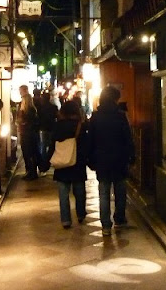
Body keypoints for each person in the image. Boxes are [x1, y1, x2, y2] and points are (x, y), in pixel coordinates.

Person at [87, 86, 135, 236]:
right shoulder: (120, 117)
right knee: (120, 192)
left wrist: (90, 159)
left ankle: (105, 225)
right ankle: (119, 220)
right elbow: (128, 139)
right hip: (119, 159)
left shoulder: (95, 117)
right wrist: (131, 157)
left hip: (101, 160)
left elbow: (90, 140)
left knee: (104, 193)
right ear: (115, 99)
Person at [48, 99, 87, 229]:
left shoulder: (58, 125)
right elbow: (86, 144)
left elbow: (52, 144)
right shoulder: (81, 125)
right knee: (79, 191)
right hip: (77, 162)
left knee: (63, 194)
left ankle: (66, 220)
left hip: (62, 163)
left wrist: (46, 161)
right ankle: (80, 214)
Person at [16, 85, 40, 180]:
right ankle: (30, 171)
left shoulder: (29, 111)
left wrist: (21, 122)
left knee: (29, 153)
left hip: (28, 134)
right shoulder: (31, 110)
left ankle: (31, 172)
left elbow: (28, 122)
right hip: (28, 133)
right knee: (29, 153)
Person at [37, 90, 58, 169]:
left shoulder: (40, 108)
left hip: (43, 128)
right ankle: (49, 160)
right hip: (52, 128)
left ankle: (43, 163)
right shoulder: (53, 107)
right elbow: (57, 117)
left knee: (43, 146)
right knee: (51, 146)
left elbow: (38, 118)